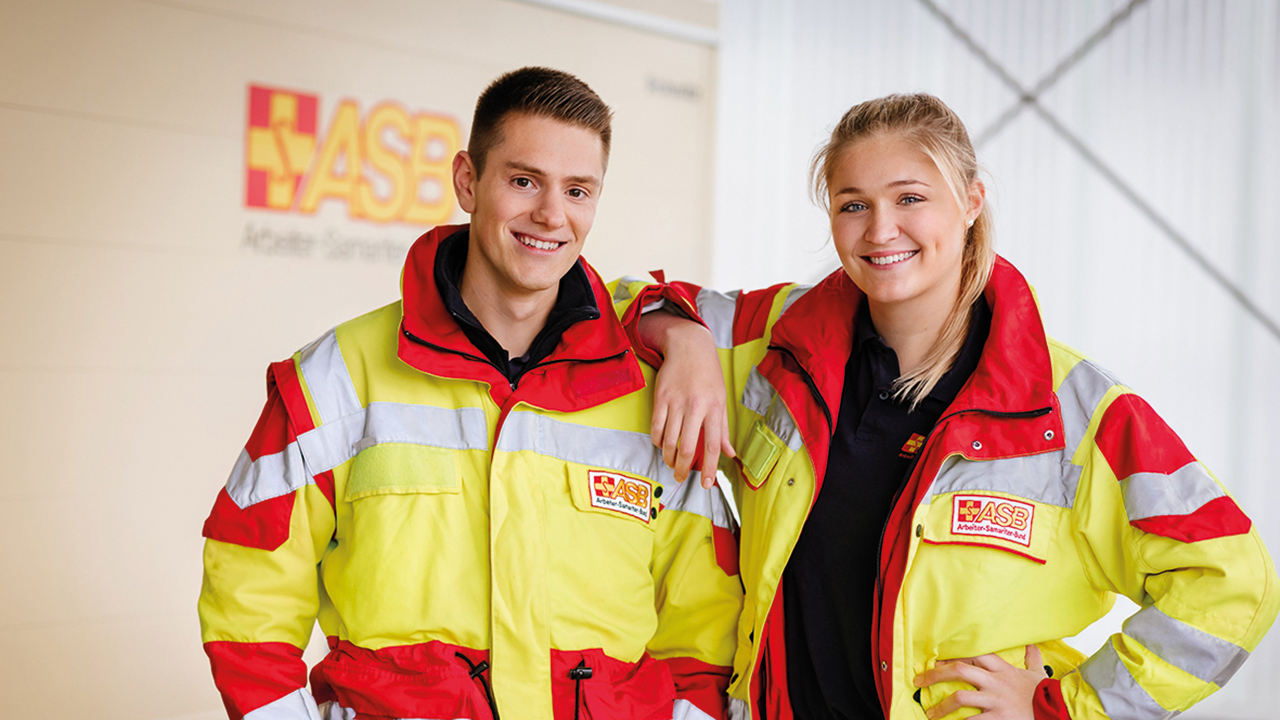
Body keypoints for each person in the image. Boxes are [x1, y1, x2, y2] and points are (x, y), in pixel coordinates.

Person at [636, 93, 1278, 719]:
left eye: (910, 198)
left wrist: (1065, 709)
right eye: (852, 204)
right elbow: (618, 302)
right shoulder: (779, 343)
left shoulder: (1072, 410)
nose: (880, 230)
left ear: (971, 200)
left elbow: (1230, 580)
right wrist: (682, 335)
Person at [198, 66, 743, 720]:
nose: (551, 214)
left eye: (577, 190)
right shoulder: (337, 378)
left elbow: (705, 632)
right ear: (467, 181)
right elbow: (250, 591)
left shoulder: (653, 397)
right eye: (523, 181)